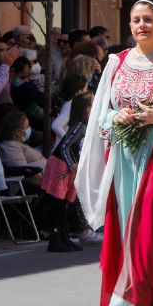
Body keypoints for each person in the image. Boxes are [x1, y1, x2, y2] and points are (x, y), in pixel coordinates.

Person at [75, 0, 153, 306]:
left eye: (148, 20)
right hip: (124, 157)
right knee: (131, 227)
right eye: (135, 20)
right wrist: (119, 115)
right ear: (129, 27)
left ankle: (139, 301)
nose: (142, 25)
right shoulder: (117, 63)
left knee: (147, 223)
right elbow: (102, 114)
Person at [41, 93, 92, 253]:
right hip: (61, 166)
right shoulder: (79, 126)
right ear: (85, 109)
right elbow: (64, 147)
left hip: (70, 167)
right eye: (91, 105)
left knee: (65, 204)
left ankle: (64, 237)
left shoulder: (85, 126)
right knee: (58, 204)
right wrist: (71, 164)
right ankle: (54, 239)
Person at [0, 110, 46, 186]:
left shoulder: (16, 143)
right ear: (18, 131)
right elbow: (23, 173)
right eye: (27, 127)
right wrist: (49, 183)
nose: (29, 129)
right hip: (42, 186)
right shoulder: (9, 147)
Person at [51, 74, 88, 141]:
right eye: (86, 89)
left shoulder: (71, 103)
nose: (87, 92)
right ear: (79, 91)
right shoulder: (71, 105)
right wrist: (69, 142)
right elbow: (55, 125)